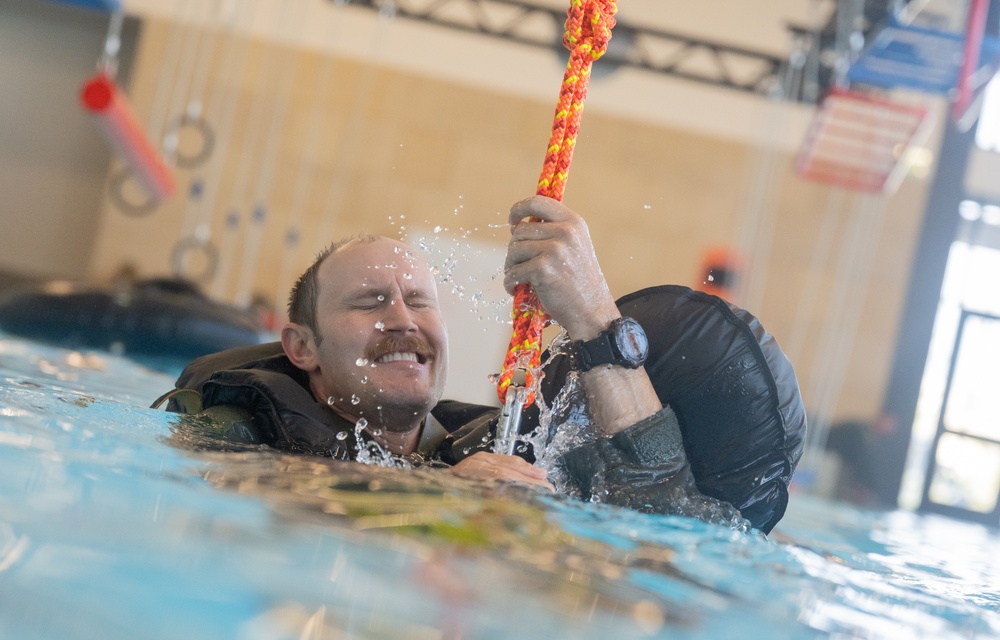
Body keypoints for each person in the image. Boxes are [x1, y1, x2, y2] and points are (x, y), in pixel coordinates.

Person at [157, 196, 806, 533]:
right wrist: (428, 497)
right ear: (302, 347)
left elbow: (670, 537)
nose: (404, 318)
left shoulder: (475, 446)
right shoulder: (234, 425)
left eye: (419, 300)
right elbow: (230, 505)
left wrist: (594, 324)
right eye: (370, 301)